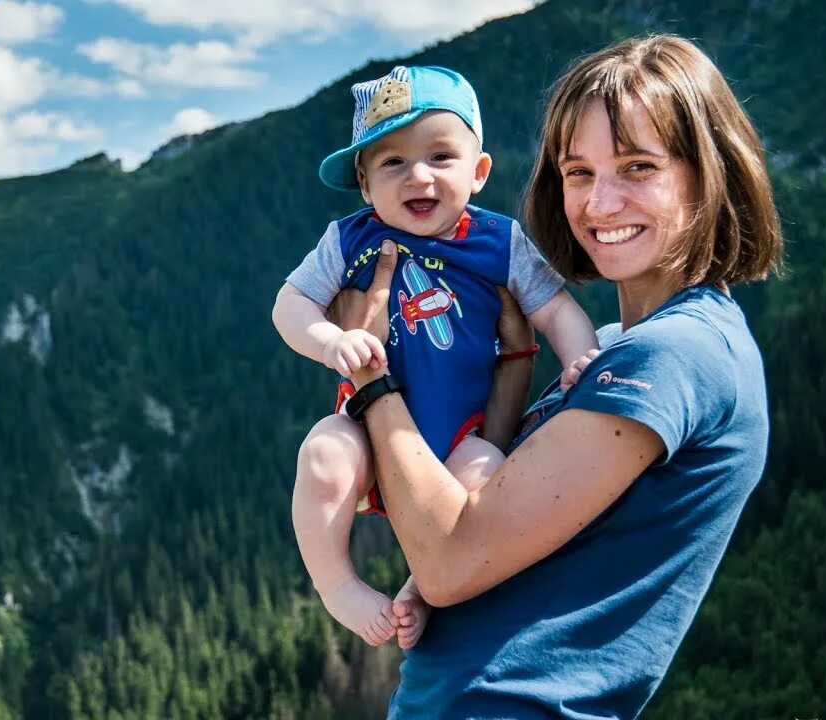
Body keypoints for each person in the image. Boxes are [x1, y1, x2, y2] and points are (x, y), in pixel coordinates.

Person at [328, 34, 784, 717]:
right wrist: (516, 362)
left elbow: (450, 563)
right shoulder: (612, 347)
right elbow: (496, 489)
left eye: (637, 167)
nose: (600, 205)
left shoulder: (674, 356)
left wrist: (371, 381)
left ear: (705, 173)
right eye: (578, 172)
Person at [273, 66, 598, 648]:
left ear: (478, 172)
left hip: (461, 436)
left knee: (486, 487)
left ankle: (420, 588)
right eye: (391, 161)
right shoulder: (348, 239)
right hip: (364, 433)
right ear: (365, 185)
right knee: (322, 455)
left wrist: (582, 360)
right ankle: (337, 585)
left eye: (440, 156)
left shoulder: (499, 241)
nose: (417, 176)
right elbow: (289, 304)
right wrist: (329, 341)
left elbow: (556, 310)